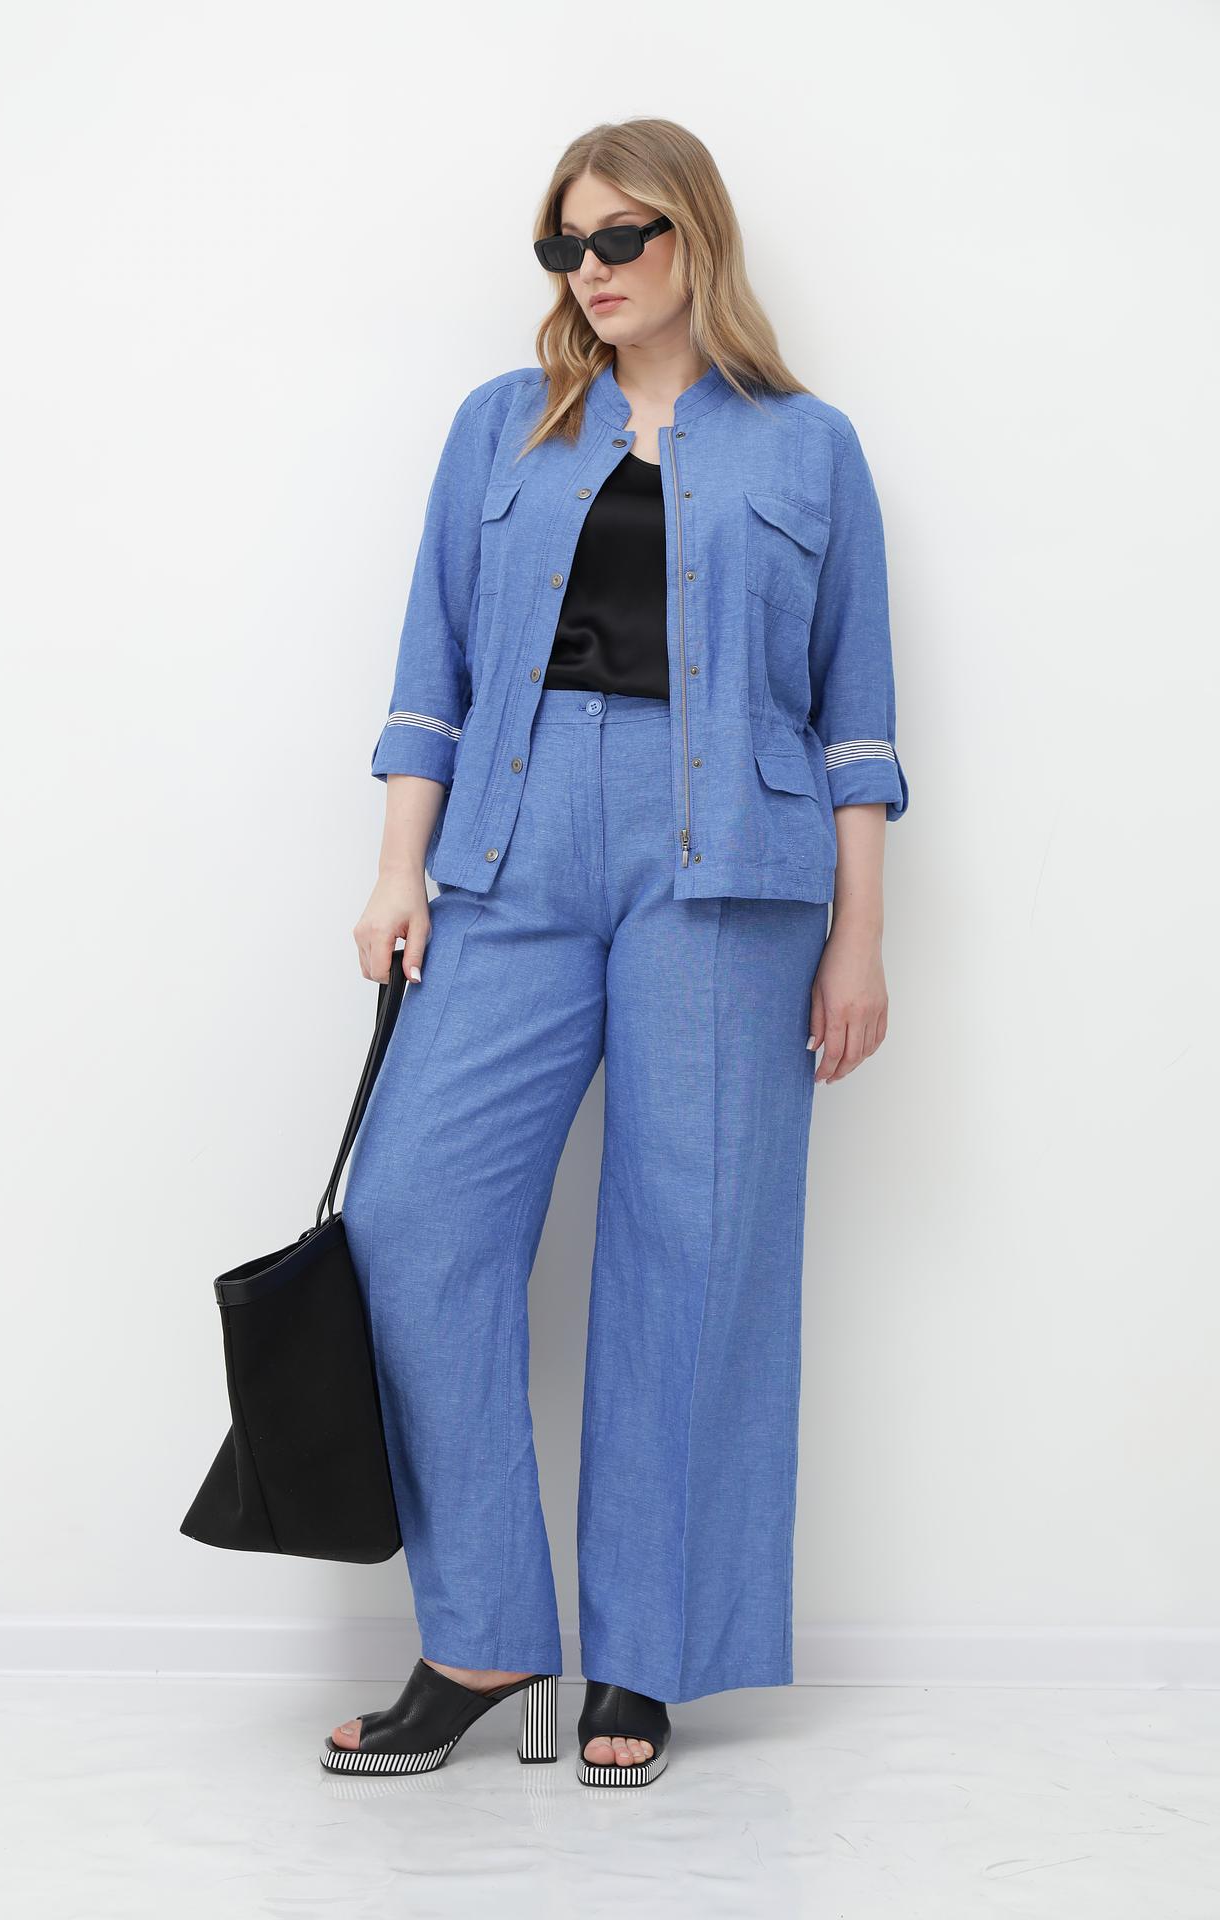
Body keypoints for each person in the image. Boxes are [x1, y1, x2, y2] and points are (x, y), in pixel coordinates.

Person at [321, 116, 909, 1788]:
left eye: (619, 236)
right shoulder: (501, 426)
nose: (589, 269)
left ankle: (645, 1654)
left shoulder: (809, 448)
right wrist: (398, 869)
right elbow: (432, 662)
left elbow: (856, 718)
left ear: (695, 236)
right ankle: (482, 1632)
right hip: (509, 849)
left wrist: (858, 938)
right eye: (563, 246)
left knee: (692, 1244)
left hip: (732, 871)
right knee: (412, 1216)